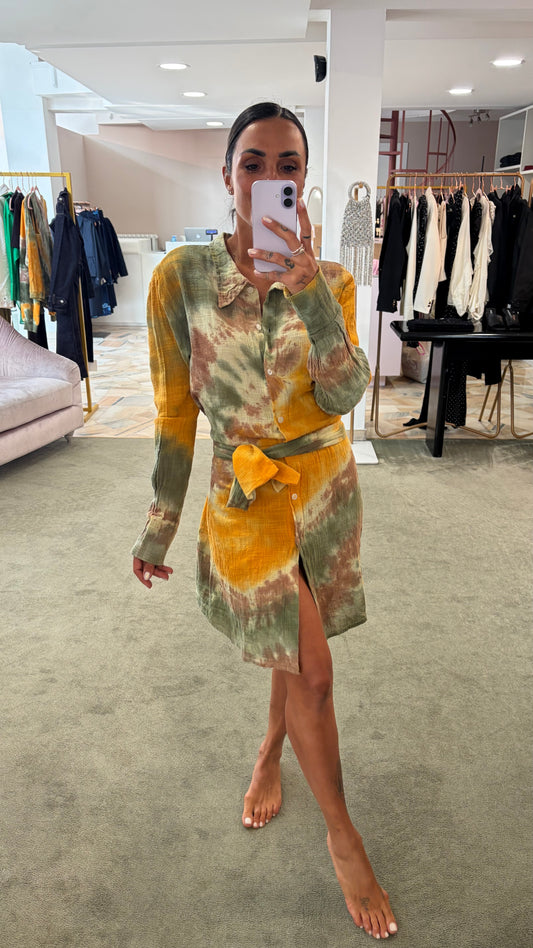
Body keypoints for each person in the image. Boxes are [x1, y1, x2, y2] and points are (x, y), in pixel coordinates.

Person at [132, 102, 398, 940]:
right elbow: (174, 411)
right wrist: (160, 522)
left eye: (288, 165)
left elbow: (346, 393)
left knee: (297, 649)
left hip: (322, 493)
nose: (270, 178)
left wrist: (311, 290)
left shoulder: (332, 281)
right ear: (227, 175)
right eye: (253, 163)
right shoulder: (181, 278)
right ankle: (343, 838)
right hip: (244, 498)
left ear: (303, 180)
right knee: (312, 671)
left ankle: (269, 752)